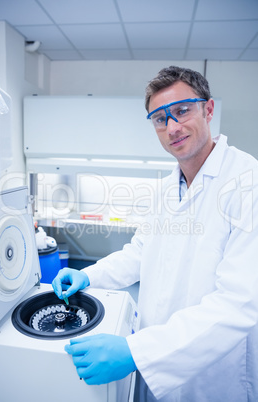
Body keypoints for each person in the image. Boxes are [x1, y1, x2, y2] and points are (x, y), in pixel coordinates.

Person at [52, 66, 258, 401]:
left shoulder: (247, 183)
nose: (172, 127)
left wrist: (138, 353)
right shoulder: (165, 188)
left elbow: (239, 303)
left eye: (181, 111)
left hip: (213, 377)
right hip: (154, 356)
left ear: (208, 109)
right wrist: (88, 276)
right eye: (160, 118)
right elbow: (139, 252)